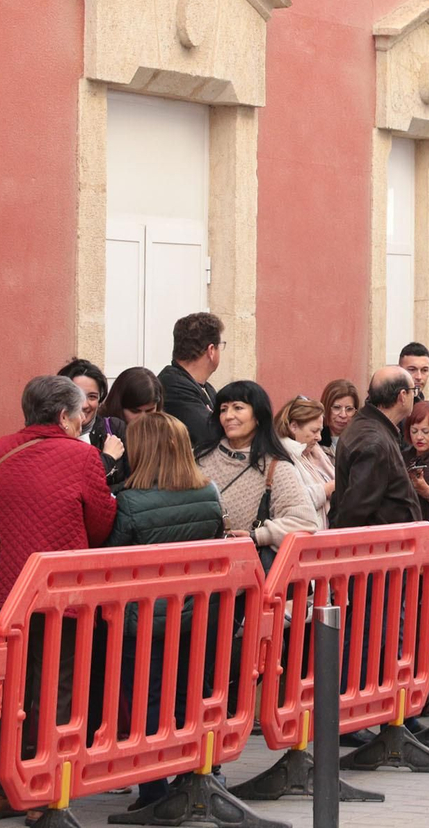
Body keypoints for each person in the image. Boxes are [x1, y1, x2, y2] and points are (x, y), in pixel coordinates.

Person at [0, 375, 116, 819]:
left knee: (5, 692)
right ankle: (41, 790)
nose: (80, 423)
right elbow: (100, 522)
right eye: (79, 415)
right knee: (56, 688)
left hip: (1, 593)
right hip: (59, 596)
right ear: (63, 416)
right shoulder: (82, 455)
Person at [105, 412, 224, 810]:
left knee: (147, 699)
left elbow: (113, 557)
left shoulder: (130, 500)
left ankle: (154, 790)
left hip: (142, 620)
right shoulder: (208, 492)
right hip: (195, 613)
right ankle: (196, 775)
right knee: (190, 694)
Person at [330, 368, 423, 527]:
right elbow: (355, 509)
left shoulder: (370, 427)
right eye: (413, 391)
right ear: (402, 396)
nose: (415, 397)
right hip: (381, 546)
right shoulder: (374, 442)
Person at [195, 381, 289, 535]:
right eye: (223, 409)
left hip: (247, 557)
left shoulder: (277, 467)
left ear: (258, 415)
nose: (228, 416)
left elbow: (303, 522)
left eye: (238, 408)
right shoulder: (200, 458)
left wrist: (257, 536)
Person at [252, 395, 336, 551]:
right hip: (295, 547)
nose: (318, 437)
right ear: (293, 426)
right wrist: (326, 490)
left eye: (320, 431)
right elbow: (295, 500)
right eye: (314, 431)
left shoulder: (313, 453)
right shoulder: (282, 458)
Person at [157, 312, 224, 450]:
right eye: (220, 345)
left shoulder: (206, 388)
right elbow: (210, 434)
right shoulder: (173, 385)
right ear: (211, 350)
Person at [59, 358, 126, 480]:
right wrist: (108, 458)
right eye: (77, 396)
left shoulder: (115, 428)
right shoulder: (53, 437)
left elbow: (132, 481)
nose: (84, 405)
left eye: (92, 397)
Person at [318, 379, 360, 457]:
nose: (343, 415)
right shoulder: (314, 441)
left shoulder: (362, 442)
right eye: (337, 408)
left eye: (349, 409)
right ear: (325, 407)